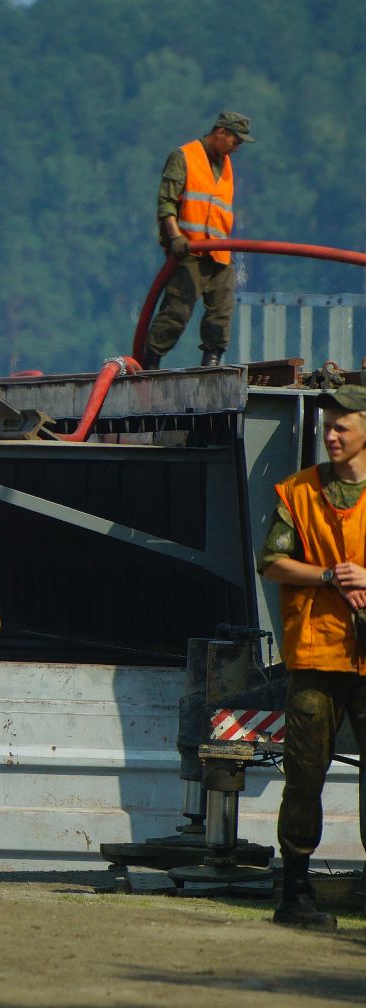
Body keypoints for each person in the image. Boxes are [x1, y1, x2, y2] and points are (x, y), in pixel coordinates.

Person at [256, 383, 366, 931]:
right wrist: (326, 575)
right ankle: (295, 894)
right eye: (327, 426)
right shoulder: (299, 492)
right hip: (317, 658)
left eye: (343, 424)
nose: (332, 434)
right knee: (304, 776)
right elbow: (271, 562)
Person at [144, 111, 253, 369]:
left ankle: (211, 364)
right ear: (221, 133)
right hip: (189, 250)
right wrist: (175, 237)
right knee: (177, 311)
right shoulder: (184, 157)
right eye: (235, 141)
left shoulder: (226, 164)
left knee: (221, 310)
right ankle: (149, 363)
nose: (236, 148)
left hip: (219, 251)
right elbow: (166, 205)